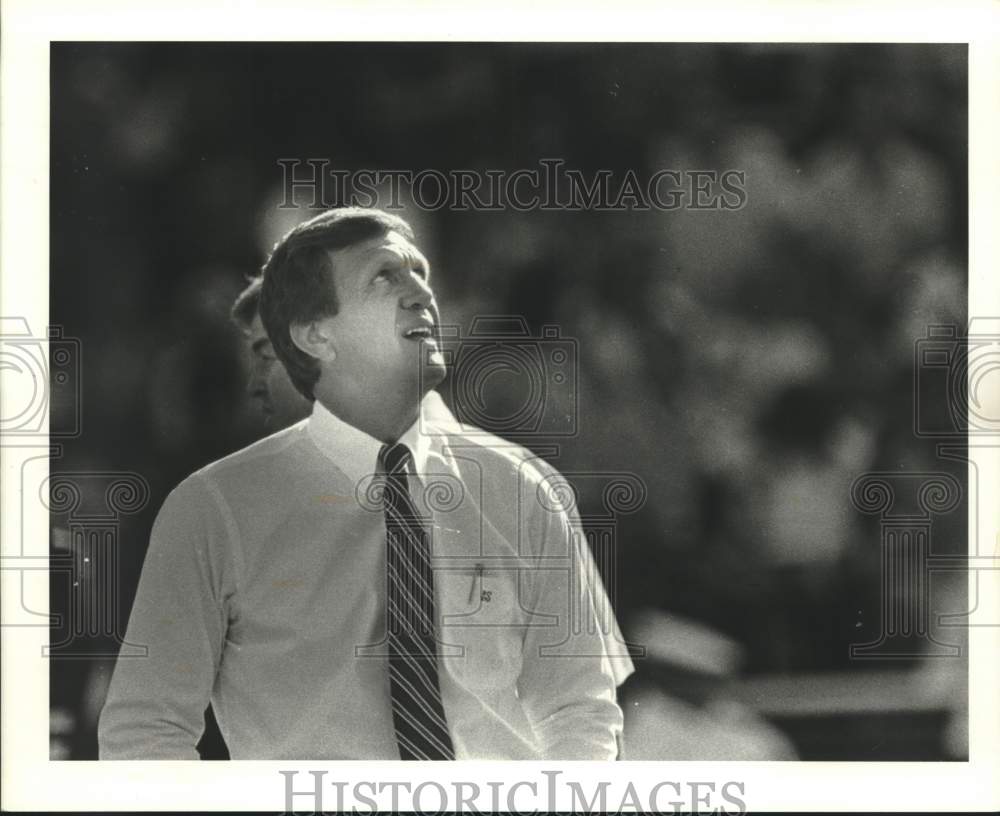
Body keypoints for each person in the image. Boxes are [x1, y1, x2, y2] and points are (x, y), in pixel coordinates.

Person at [98, 207, 632, 760]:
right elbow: (145, 732)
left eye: (419, 270)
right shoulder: (213, 510)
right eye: (385, 276)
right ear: (316, 336)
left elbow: (581, 710)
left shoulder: (526, 488)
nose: (422, 291)